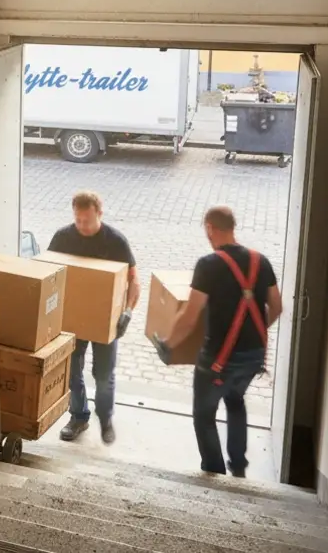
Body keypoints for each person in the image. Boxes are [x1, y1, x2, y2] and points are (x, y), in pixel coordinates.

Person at [158, 206, 282, 477]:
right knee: (235, 400)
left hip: (218, 359)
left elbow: (189, 316)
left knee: (204, 414)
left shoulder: (209, 264)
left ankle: (214, 472)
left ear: (210, 228)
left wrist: (167, 345)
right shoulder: (260, 261)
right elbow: (276, 306)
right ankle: (238, 466)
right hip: (253, 356)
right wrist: (255, 331)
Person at [48, 190, 139, 445]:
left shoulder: (116, 242)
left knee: (103, 375)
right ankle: (79, 417)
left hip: (106, 322)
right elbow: (48, 274)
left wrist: (128, 312)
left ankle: (106, 419)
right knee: (71, 371)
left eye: (87, 220)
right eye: (77, 220)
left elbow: (134, 280)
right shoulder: (63, 238)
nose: (82, 225)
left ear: (100, 213)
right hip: (71, 320)